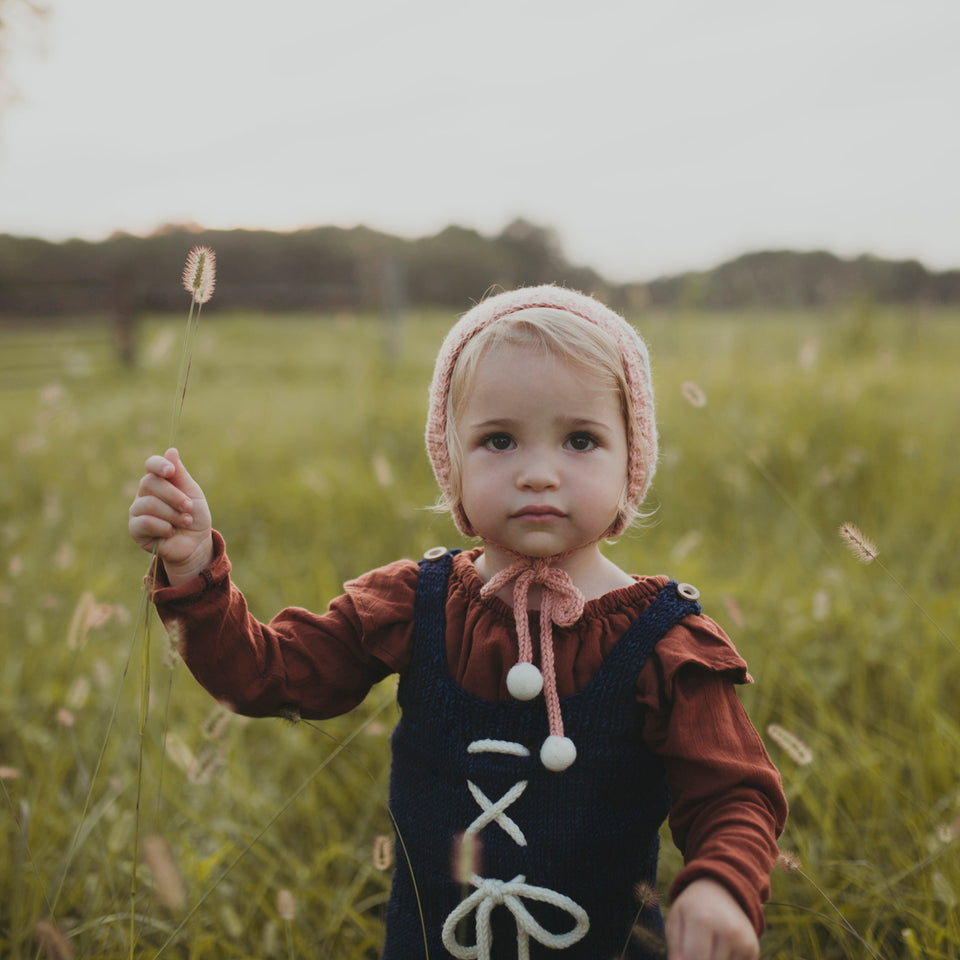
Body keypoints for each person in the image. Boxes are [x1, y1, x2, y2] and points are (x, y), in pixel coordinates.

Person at [129, 284, 787, 960]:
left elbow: (734, 792)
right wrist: (193, 568)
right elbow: (269, 675)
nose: (538, 473)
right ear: (453, 461)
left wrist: (721, 884)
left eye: (580, 440)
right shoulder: (415, 604)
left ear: (632, 463)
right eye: (499, 440)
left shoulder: (664, 641)